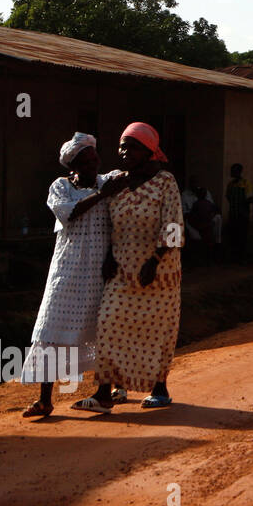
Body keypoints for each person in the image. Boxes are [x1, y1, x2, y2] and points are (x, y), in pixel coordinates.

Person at [75, 122, 183, 413]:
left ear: (148, 150)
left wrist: (154, 261)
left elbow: (172, 227)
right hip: (122, 270)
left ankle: (159, 388)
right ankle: (104, 393)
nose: (124, 152)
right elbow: (110, 225)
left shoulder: (165, 182)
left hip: (159, 274)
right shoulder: (117, 183)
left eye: (132, 147)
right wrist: (109, 256)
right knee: (109, 324)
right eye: (122, 146)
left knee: (158, 331)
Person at [19, 133, 125, 418]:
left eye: (94, 158)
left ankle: (108, 390)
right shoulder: (61, 187)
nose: (92, 164)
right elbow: (69, 214)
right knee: (50, 327)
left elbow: (133, 176)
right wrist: (101, 195)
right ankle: (45, 399)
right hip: (67, 268)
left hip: (101, 268)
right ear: (73, 166)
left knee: (105, 327)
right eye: (85, 161)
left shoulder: (109, 181)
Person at [224, 163, 252, 262]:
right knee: (234, 237)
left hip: (242, 215)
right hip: (233, 214)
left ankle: (242, 257)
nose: (231, 172)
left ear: (238, 172)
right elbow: (228, 197)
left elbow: (249, 198)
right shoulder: (230, 184)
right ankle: (235, 257)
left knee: (242, 237)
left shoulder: (245, 183)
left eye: (233, 171)